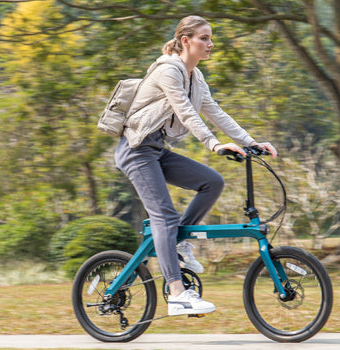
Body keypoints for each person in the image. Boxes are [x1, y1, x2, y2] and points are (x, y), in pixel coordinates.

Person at [115, 15, 277, 316]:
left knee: (212, 182)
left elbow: (215, 111)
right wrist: (214, 144)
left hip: (156, 150)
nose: (210, 44)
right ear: (185, 40)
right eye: (204, 38)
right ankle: (177, 293)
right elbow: (186, 112)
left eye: (211, 38)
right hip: (136, 151)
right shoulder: (168, 70)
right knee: (164, 215)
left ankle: (179, 244)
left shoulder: (196, 77)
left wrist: (252, 142)